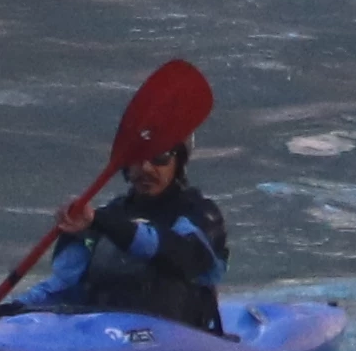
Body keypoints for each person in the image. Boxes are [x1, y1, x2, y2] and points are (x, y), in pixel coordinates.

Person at [28, 132, 231, 333]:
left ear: (178, 162)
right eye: (136, 158)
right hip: (106, 335)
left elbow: (181, 255)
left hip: (179, 339)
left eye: (159, 158)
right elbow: (62, 285)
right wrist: (10, 311)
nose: (145, 168)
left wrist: (102, 222)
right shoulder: (104, 218)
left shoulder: (201, 214)